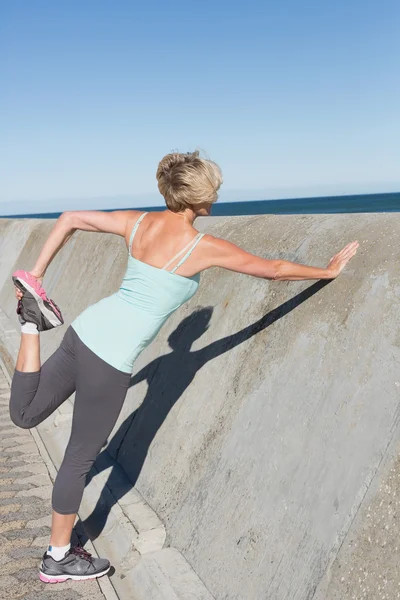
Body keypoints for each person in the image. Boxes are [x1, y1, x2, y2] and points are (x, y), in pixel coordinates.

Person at [9, 151, 359, 584]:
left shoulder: (138, 222)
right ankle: (58, 558)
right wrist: (327, 271)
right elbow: (274, 270)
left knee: (24, 416)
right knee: (79, 459)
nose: (218, 194)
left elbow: (69, 217)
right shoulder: (201, 246)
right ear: (200, 198)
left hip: (83, 333)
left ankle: (30, 320)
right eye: (214, 188)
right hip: (109, 360)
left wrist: (37, 275)